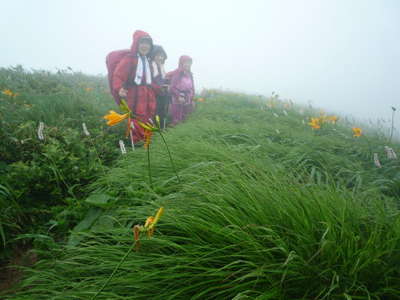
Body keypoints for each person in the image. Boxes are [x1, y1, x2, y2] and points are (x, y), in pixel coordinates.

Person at [112, 30, 160, 143]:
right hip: (135, 97)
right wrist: (119, 88)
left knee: (148, 121)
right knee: (136, 121)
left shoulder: (149, 62)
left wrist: (158, 89)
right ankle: (135, 146)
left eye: (148, 44)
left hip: (148, 98)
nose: (145, 46)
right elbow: (118, 75)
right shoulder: (129, 59)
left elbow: (150, 81)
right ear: (136, 44)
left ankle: (146, 145)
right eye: (142, 43)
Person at [166, 55, 195, 126]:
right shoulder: (178, 73)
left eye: (189, 63)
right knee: (177, 120)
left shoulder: (190, 74)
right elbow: (172, 87)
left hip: (188, 100)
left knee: (185, 119)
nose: (188, 64)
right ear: (181, 63)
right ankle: (173, 135)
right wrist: (179, 96)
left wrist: (192, 99)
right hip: (177, 100)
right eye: (186, 62)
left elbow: (192, 87)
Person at [149, 45, 170, 128]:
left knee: (161, 116)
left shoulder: (161, 68)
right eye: (158, 55)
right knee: (154, 117)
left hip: (162, 97)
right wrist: (159, 88)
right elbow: (147, 82)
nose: (160, 58)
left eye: (162, 56)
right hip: (152, 97)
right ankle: (153, 137)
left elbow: (163, 81)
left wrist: (167, 85)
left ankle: (160, 135)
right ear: (153, 55)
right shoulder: (150, 67)